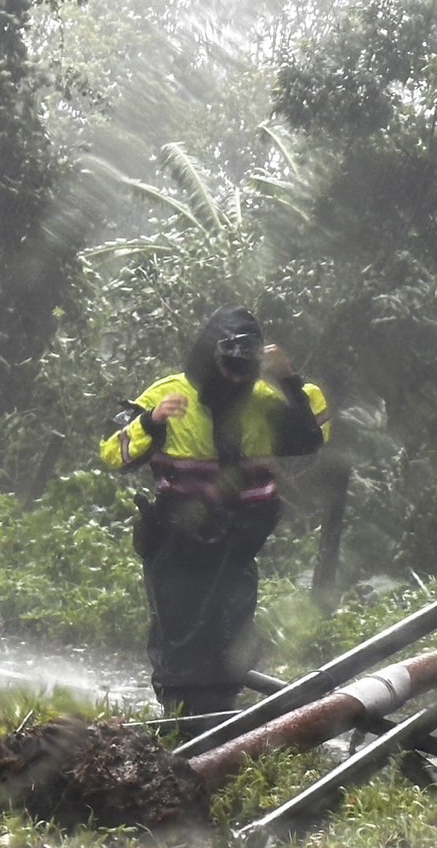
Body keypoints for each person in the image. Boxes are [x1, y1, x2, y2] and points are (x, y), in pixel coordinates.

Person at [100, 303, 325, 718]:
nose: (233, 379)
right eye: (227, 366)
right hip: (177, 545)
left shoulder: (267, 399)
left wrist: (290, 380)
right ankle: (180, 724)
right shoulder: (169, 394)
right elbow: (117, 454)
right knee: (179, 639)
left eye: (244, 370)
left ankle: (217, 723)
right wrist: (150, 421)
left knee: (232, 634)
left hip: (237, 545)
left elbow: (309, 438)